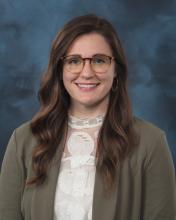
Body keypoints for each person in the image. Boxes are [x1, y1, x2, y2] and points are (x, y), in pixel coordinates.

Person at [0, 14, 175, 220]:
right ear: (60, 70)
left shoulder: (151, 143)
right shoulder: (23, 141)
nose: (86, 73)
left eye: (99, 61)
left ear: (116, 69)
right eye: (74, 61)